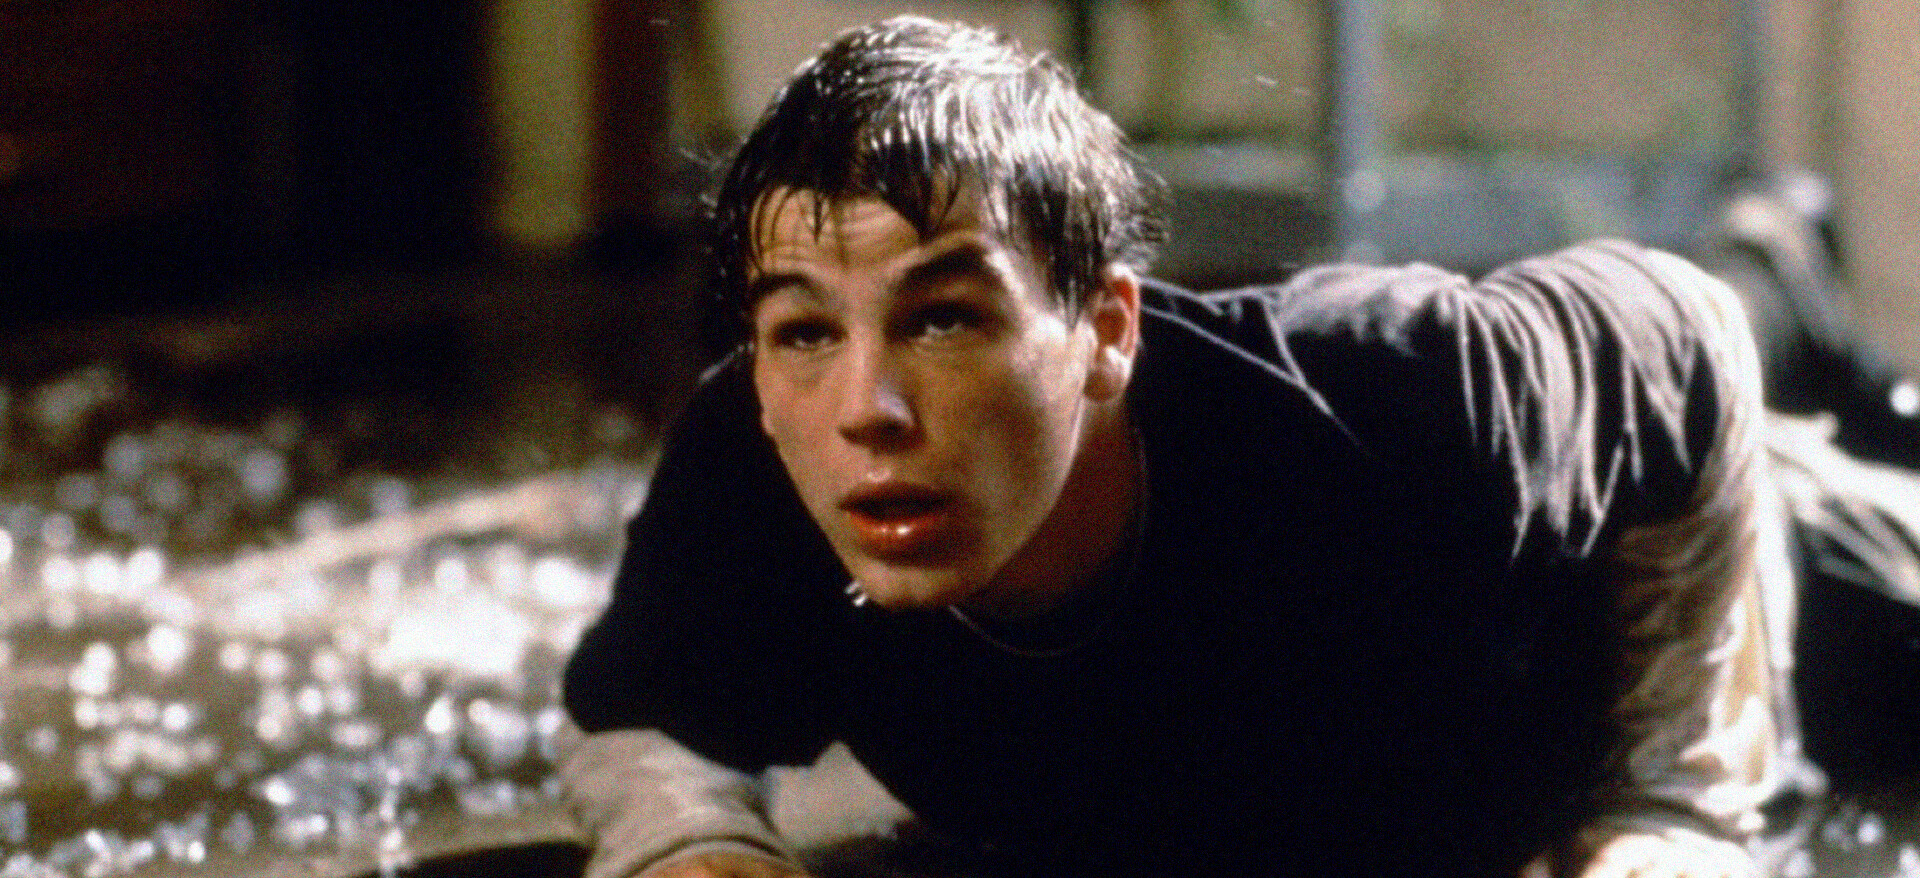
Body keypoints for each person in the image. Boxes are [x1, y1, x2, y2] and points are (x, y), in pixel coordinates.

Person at [561, 16, 1797, 878]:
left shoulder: (1390, 401)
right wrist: (692, 837)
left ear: (1106, 330)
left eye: (944, 317)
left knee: (1787, 363)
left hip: (1728, 585)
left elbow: (1684, 335)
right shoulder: (754, 459)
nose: (865, 407)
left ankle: (1784, 247)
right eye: (804, 328)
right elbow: (638, 713)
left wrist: (1669, 793)